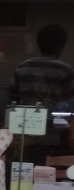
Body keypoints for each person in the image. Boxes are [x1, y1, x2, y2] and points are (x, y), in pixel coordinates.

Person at [7, 24, 74, 159]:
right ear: (61, 45)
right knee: (51, 165)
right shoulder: (65, 71)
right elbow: (71, 103)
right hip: (56, 133)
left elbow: (12, 101)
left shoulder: (22, 68)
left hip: (24, 130)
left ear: (39, 44)